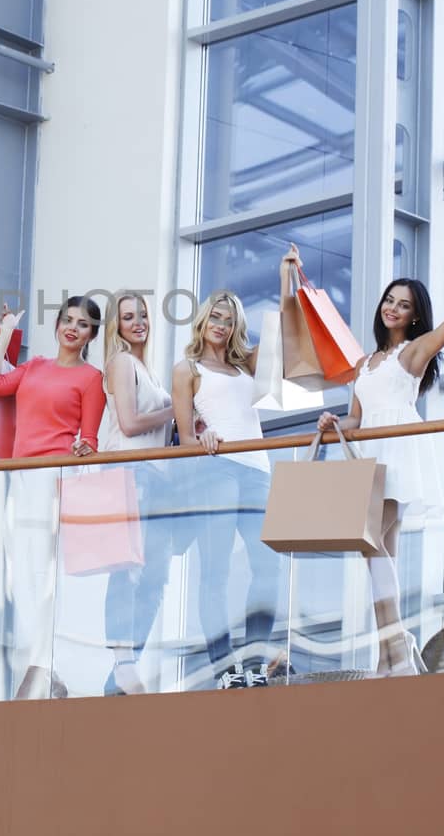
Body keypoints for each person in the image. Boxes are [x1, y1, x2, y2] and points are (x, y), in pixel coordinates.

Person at [299, 227, 444, 676]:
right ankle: (393, 651)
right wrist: (333, 422)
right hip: (371, 452)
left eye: (404, 304)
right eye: (390, 299)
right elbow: (357, 418)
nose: (393, 308)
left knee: (373, 545)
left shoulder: (413, 353)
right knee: (380, 549)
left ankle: (394, 649)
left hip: (398, 449)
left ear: (413, 316)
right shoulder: (364, 363)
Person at [0, 295, 106, 699]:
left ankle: (41, 668)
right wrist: (6, 333)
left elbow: (90, 438)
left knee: (45, 576)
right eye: (67, 320)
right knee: (22, 575)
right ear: (57, 325)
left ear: (91, 334)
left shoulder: (91, 378)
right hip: (21, 476)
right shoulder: (34, 368)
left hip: (56, 477)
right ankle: (42, 670)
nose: (72, 328)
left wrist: (84, 450)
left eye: (82, 324)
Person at [172, 289, 285, 688]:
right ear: (203, 321)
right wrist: (201, 441)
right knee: (215, 570)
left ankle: (255, 661)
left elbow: (281, 330)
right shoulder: (187, 369)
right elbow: (185, 437)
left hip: (257, 470)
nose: (220, 326)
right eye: (215, 318)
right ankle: (225, 668)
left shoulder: (246, 366)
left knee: (269, 566)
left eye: (229, 320)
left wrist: (285, 278)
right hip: (217, 469)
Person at [94, 292, 175, 695]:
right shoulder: (122, 362)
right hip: (127, 471)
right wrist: (175, 410)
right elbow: (127, 424)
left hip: (154, 476)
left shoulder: (148, 369)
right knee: (127, 570)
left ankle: (124, 670)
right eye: (129, 316)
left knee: (155, 577)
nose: (139, 321)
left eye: (142, 314)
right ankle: (123, 660)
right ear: (117, 325)